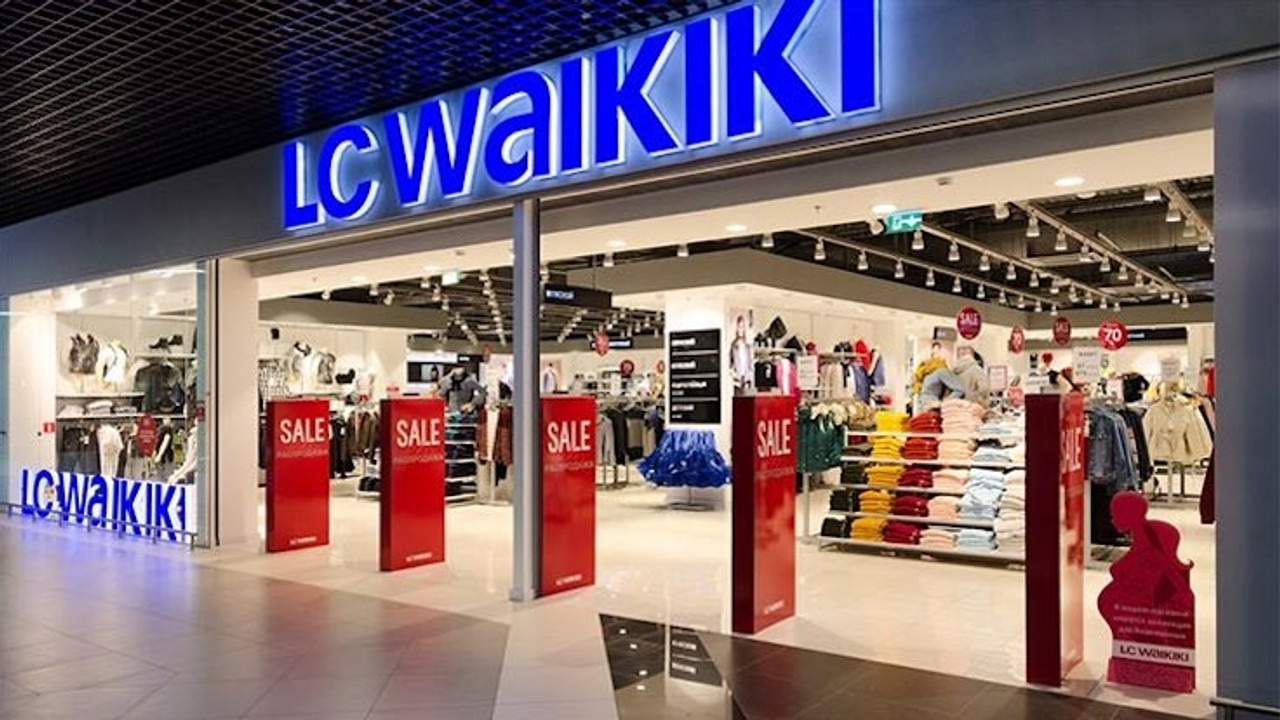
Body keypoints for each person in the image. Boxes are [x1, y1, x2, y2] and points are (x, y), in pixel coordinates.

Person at [728, 313, 754, 394]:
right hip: (737, 379)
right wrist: (733, 374)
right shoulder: (733, 346)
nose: (741, 329)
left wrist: (750, 376)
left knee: (747, 398)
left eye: (742, 327)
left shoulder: (748, 346)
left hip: (747, 378)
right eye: (739, 327)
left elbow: (750, 363)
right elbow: (730, 363)